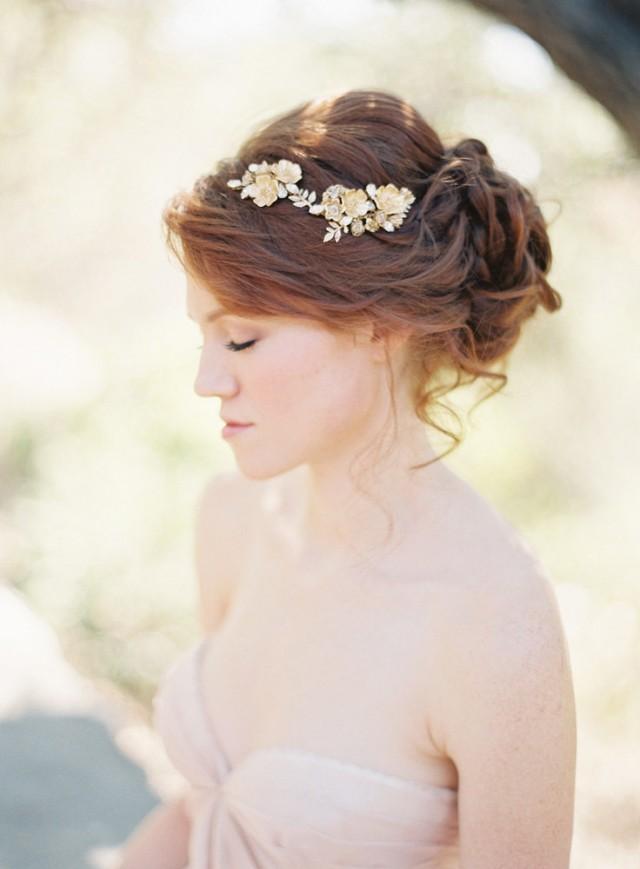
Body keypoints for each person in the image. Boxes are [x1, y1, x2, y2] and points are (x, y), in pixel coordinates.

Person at [117, 88, 576, 868]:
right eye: (205, 337)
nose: (206, 380)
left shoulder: (496, 630)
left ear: (380, 324)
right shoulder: (231, 518)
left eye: (243, 340)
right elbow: (208, 807)